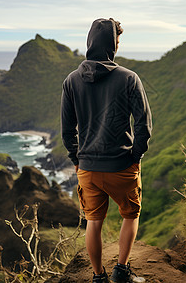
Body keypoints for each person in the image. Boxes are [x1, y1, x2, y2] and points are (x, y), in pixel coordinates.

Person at [61, 18, 152, 283]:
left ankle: (99, 277)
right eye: (118, 42)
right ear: (112, 44)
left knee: (94, 221)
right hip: (121, 166)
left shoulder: (71, 81)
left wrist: (77, 160)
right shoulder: (129, 78)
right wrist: (135, 158)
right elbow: (144, 124)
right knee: (130, 214)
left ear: (90, 43)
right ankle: (121, 271)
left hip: (87, 169)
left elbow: (68, 131)